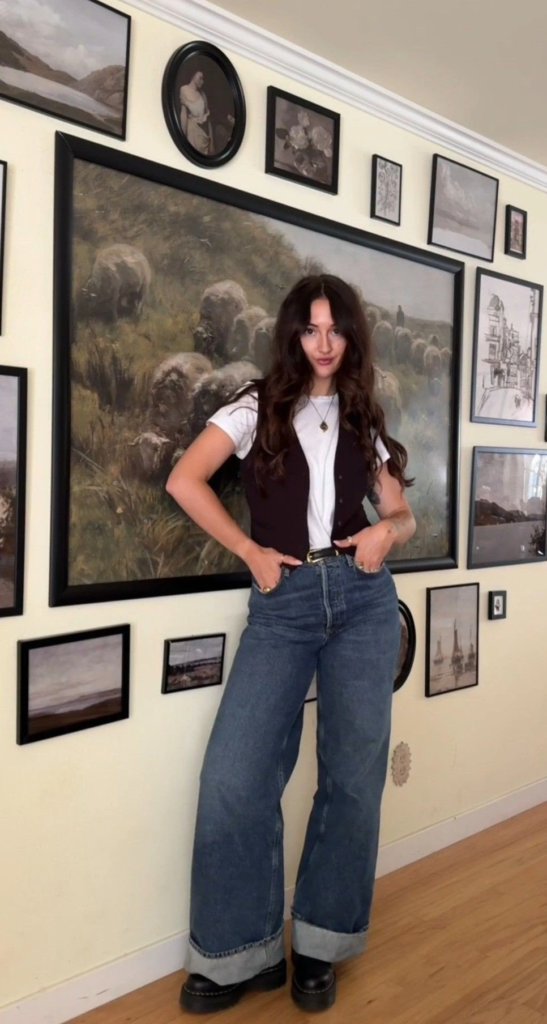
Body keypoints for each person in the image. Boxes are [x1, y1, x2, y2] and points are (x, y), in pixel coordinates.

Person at [166, 274, 416, 1015]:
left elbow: (402, 518)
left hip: (365, 603)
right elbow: (187, 480)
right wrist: (248, 549)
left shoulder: (364, 415)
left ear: (351, 334)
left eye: (335, 328)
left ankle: (319, 944)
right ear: (291, 335)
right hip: (284, 604)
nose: (324, 343)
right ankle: (237, 952)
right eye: (310, 329)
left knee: (351, 778)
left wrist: (383, 531)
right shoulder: (252, 408)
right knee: (234, 778)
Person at [179, 70, 214, 156]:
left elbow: (208, 120)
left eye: (203, 79)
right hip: (192, 133)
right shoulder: (183, 90)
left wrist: (212, 142)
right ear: (193, 75)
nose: (202, 81)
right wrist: (182, 138)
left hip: (204, 136)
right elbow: (183, 115)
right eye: (200, 78)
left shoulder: (203, 95)